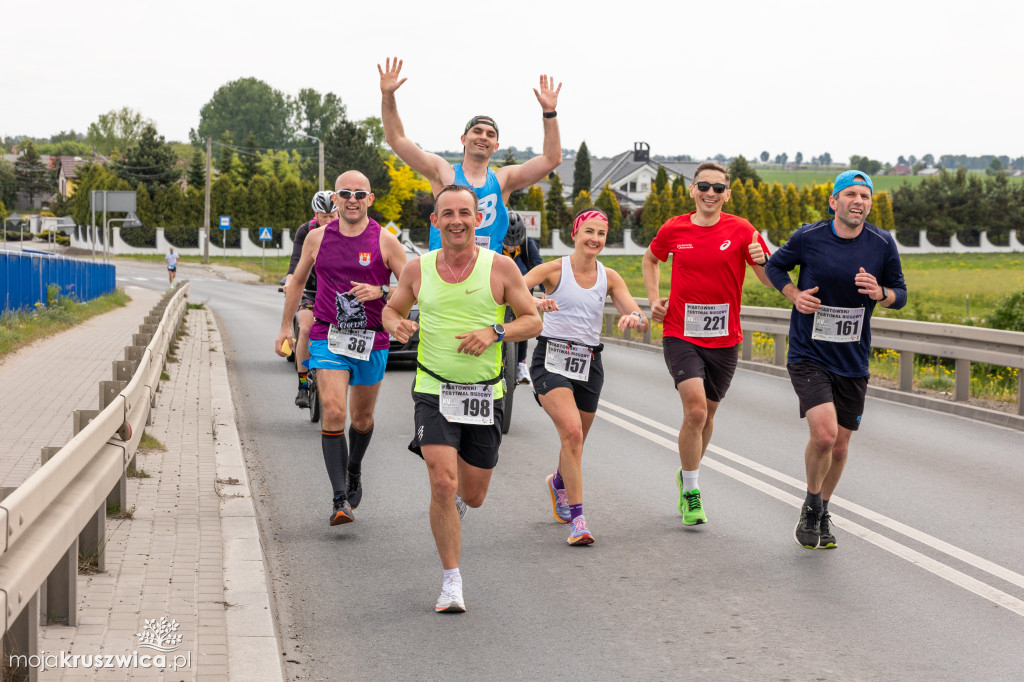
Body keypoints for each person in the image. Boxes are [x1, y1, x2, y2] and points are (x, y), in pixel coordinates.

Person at [382, 185, 542, 613]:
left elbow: (532, 320)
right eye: (447, 213)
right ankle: (451, 580)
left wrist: (496, 332)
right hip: (434, 389)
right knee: (442, 481)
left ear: (477, 219)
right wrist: (396, 324)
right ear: (435, 221)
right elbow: (392, 309)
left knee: (472, 494)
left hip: (484, 394)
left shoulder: (502, 267)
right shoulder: (418, 269)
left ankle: (454, 506)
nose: (457, 220)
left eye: (465, 213)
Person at [764, 170, 907, 550]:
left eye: (866, 196)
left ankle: (824, 508)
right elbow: (774, 266)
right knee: (824, 435)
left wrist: (881, 293)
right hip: (809, 352)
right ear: (834, 202)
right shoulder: (808, 237)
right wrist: (794, 294)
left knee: (841, 446)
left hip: (852, 358)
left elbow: (901, 293)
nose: (858, 201)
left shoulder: (881, 243)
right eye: (851, 195)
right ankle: (811, 504)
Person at [642, 162, 773, 525]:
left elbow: (767, 278)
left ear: (727, 194)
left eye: (718, 188)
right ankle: (692, 489)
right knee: (696, 410)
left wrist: (767, 259)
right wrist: (653, 299)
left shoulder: (742, 229)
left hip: (725, 338)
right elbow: (651, 258)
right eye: (704, 186)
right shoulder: (675, 228)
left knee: (708, 415)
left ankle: (686, 472)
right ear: (693, 190)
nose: (710, 193)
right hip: (680, 332)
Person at [275, 171, 408, 525]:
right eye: (345, 193)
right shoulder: (317, 238)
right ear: (335, 199)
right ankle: (339, 499)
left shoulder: (386, 241)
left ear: (370, 198)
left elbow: (414, 286)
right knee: (334, 411)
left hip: (372, 340)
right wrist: (284, 328)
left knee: (362, 419)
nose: (352, 199)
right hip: (327, 335)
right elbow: (297, 280)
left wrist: (380, 292)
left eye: (359, 193)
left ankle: (354, 469)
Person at [526, 208, 648, 545]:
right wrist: (536, 301)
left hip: (589, 364)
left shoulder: (609, 277)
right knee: (573, 434)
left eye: (601, 234)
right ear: (575, 233)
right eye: (589, 231)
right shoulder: (553, 269)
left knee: (575, 442)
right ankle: (578, 522)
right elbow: (511, 289)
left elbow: (636, 312)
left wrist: (634, 317)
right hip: (550, 358)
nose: (595, 239)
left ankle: (559, 483)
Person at [379, 56, 562, 253]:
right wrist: (388, 95)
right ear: (463, 139)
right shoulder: (443, 172)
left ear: (496, 146)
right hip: (443, 271)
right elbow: (396, 139)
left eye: (490, 134)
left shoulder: (503, 180)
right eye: (477, 131)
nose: (483, 137)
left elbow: (552, 159)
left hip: (484, 274)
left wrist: (549, 113)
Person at [284, 190, 339, 408]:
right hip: (309, 289)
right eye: (323, 216)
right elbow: (295, 263)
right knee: (306, 328)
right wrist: (290, 282)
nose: (327, 221)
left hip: (335, 291)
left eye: (332, 217)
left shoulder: (346, 231)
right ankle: (303, 385)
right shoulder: (305, 231)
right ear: (315, 213)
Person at [502, 211, 543, 384]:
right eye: (507, 244)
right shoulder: (494, 244)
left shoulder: (527, 244)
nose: (511, 248)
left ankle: (520, 363)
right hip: (500, 289)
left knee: (525, 321)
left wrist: (547, 291)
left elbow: (539, 267)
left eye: (514, 244)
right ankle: (496, 363)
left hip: (523, 288)